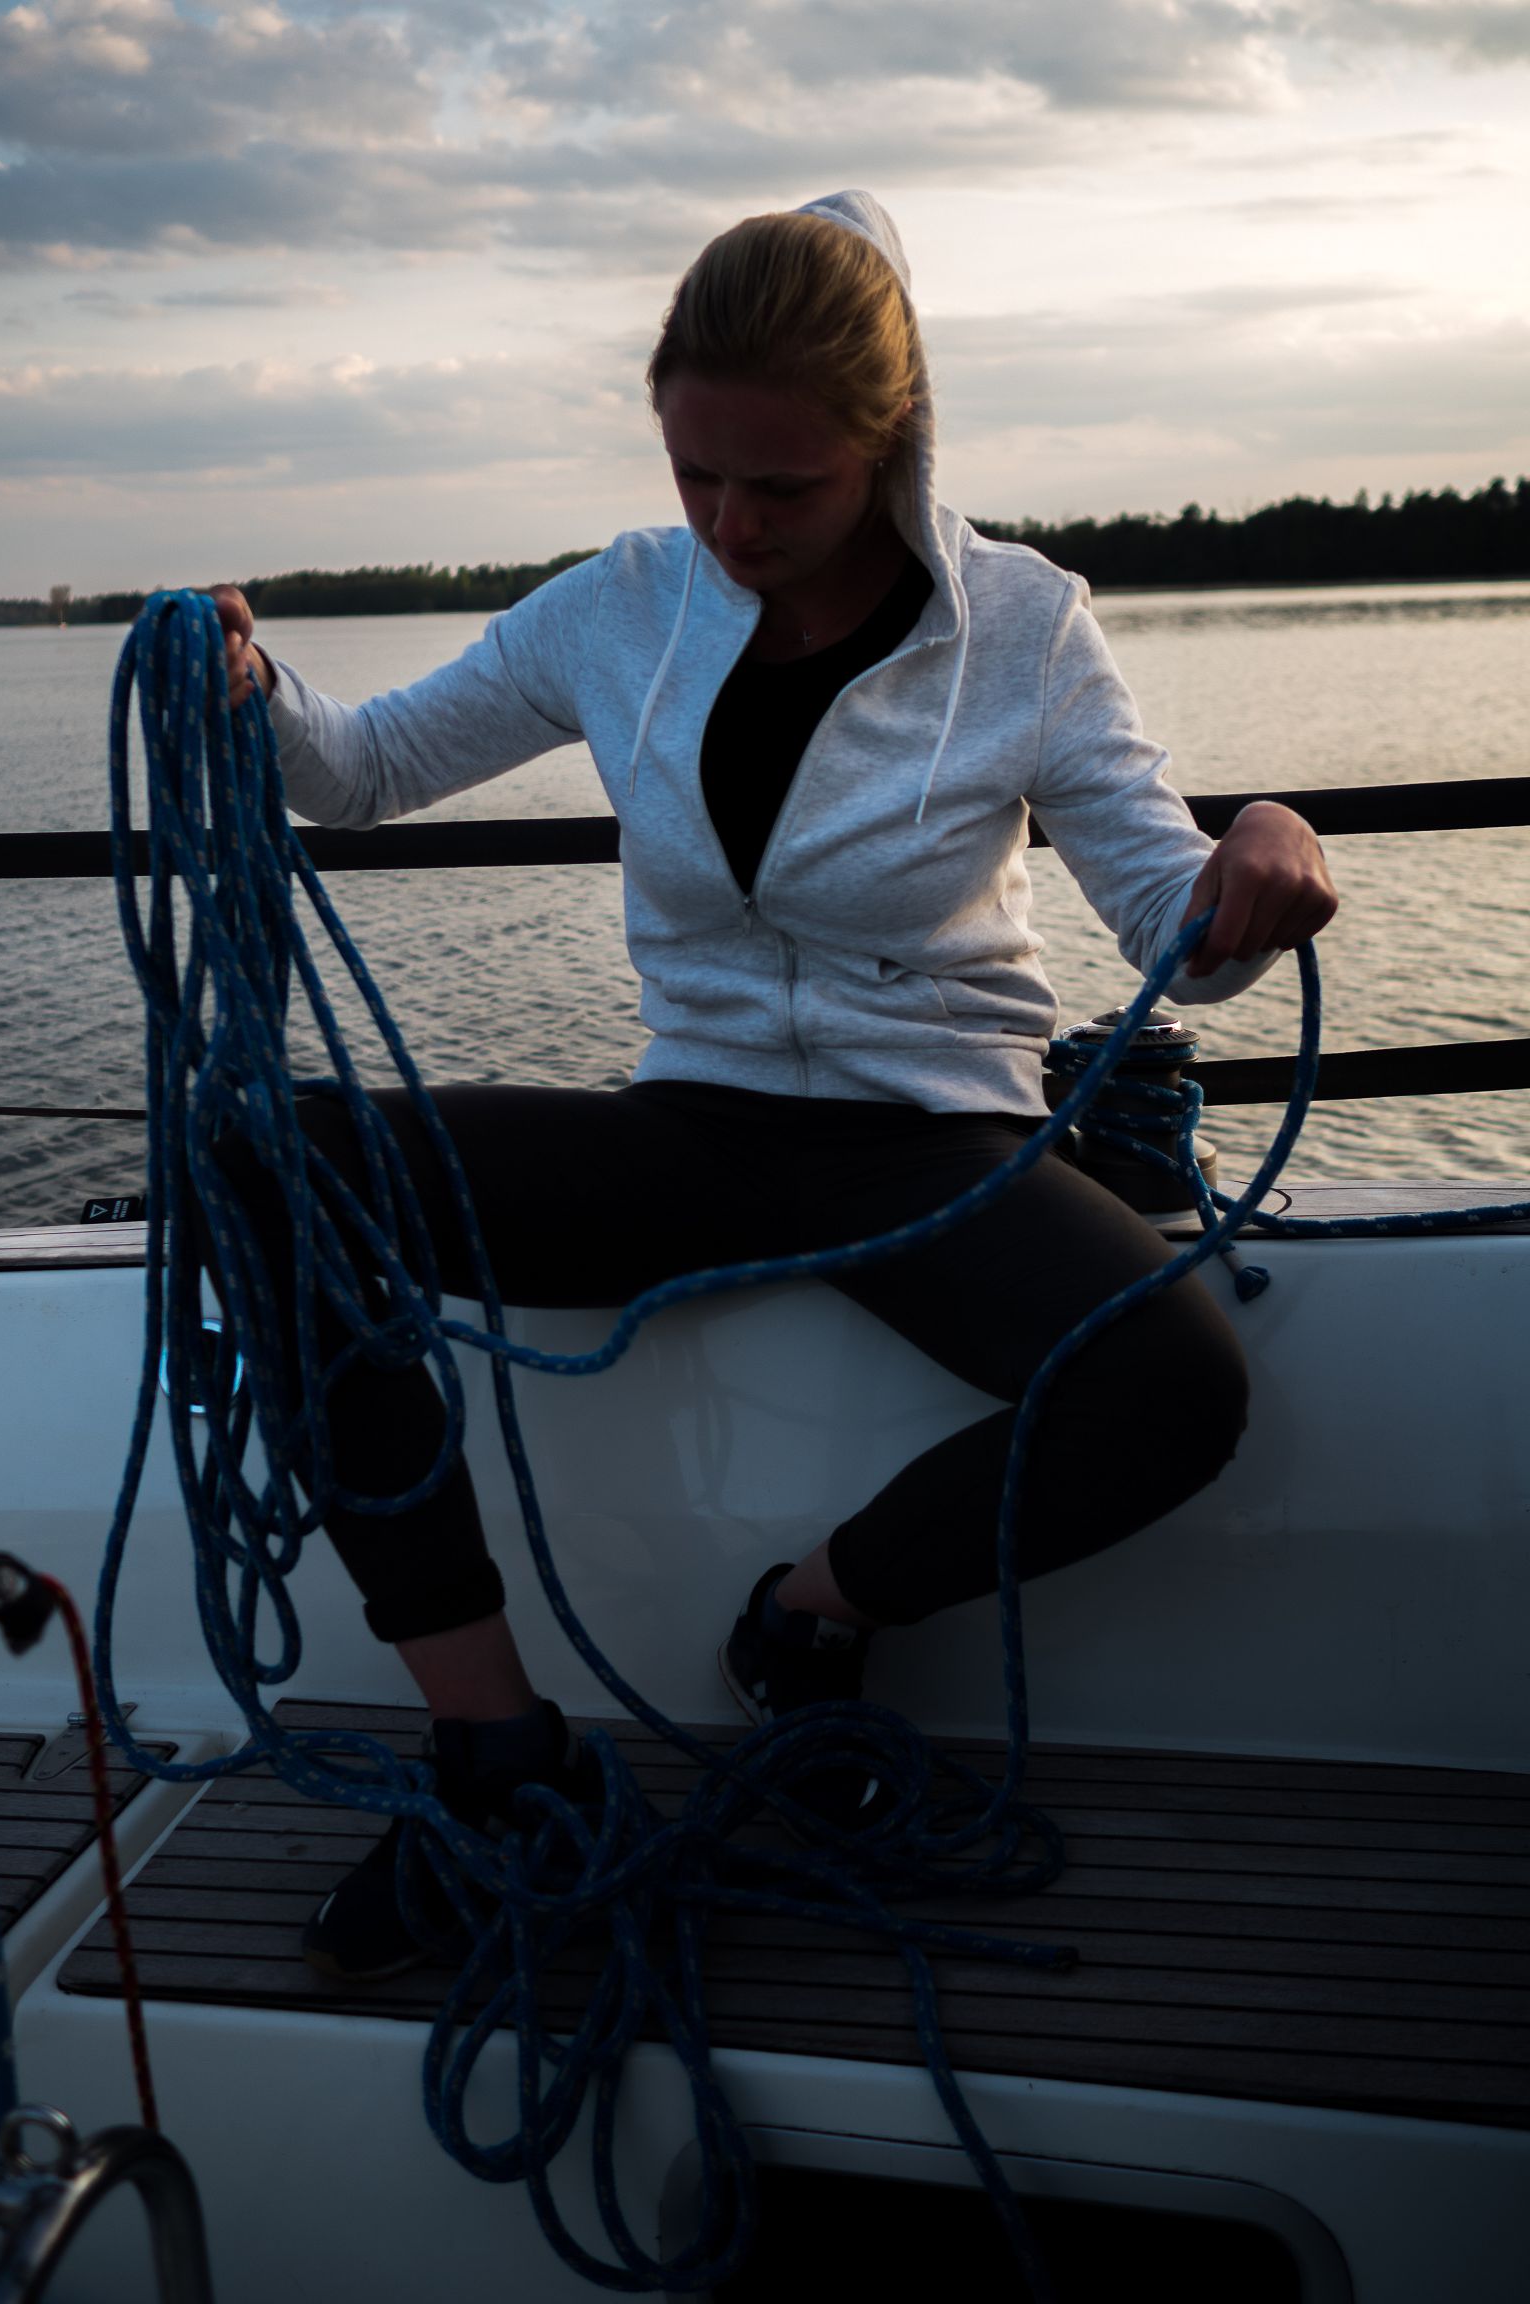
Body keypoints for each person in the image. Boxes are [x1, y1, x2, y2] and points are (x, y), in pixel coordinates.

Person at [209, 190, 1337, 1984]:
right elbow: (358, 774)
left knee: (1175, 1388)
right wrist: (250, 683)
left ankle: (810, 1620)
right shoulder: (618, 603)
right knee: (264, 1163)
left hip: (934, 1140)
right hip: (697, 1122)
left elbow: (1171, 935)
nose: (731, 526)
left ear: (893, 438)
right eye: (696, 477)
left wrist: (1260, 851)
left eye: (783, 488)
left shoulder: (1027, 625)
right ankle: (500, 1757)